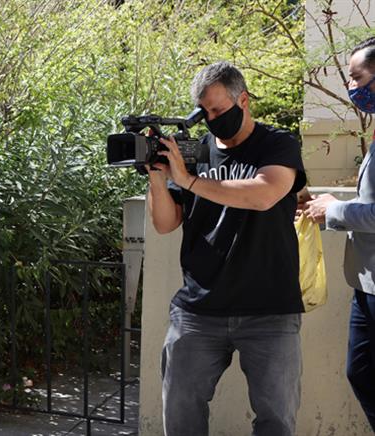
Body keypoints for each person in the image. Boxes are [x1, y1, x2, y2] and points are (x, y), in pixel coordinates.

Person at [147, 61, 307, 436]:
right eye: (205, 113)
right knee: (180, 413)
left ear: (243, 100)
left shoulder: (277, 143)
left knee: (276, 420)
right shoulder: (195, 151)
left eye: (219, 110)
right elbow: (165, 223)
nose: (212, 119)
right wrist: (157, 178)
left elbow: (264, 194)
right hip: (198, 309)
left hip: (269, 309)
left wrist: (189, 181)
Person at [303, 36, 375, 431]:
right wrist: (333, 204)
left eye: (357, 78)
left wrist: (334, 210)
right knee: (360, 371)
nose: (351, 87)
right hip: (366, 285)